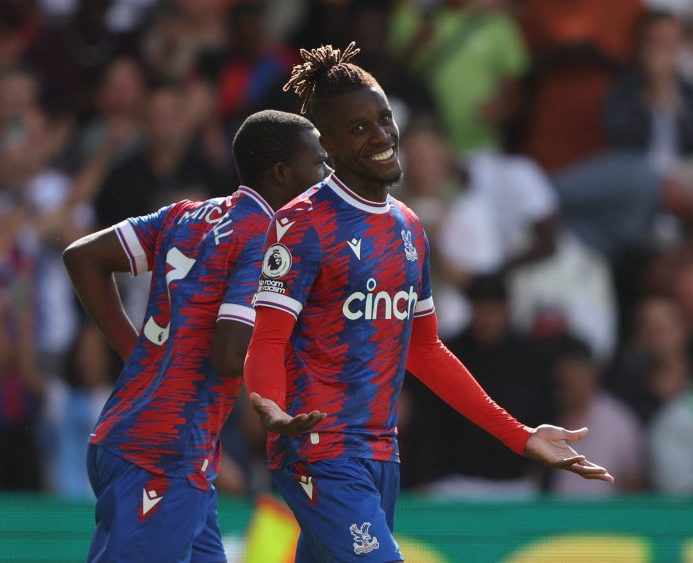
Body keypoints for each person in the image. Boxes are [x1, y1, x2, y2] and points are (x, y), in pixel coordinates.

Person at [243, 43, 614, 562]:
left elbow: (426, 351)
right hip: (318, 451)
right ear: (326, 144)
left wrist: (519, 435)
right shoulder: (302, 224)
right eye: (359, 128)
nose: (381, 136)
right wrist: (271, 408)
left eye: (383, 119)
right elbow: (268, 338)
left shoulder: (408, 228)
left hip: (380, 453)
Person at [63, 109, 329, 563]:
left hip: (151, 440)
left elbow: (82, 257)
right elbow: (228, 355)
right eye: (319, 163)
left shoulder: (187, 214)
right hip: (162, 452)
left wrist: (137, 354)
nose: (328, 176)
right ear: (283, 173)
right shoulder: (266, 241)